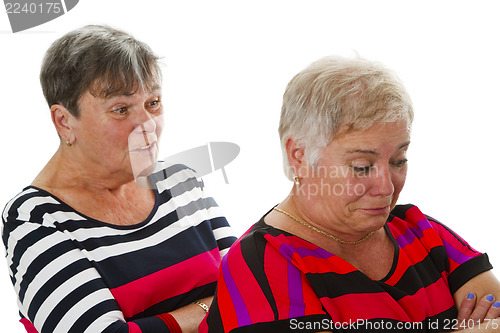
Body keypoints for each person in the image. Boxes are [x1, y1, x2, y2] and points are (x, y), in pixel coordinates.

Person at [202, 56, 500, 332]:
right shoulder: (263, 262)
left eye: (399, 160)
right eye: (361, 166)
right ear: (299, 157)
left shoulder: (421, 231)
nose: (387, 187)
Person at [2, 25, 236, 333]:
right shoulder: (36, 219)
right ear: (64, 121)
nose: (147, 124)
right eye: (121, 109)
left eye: (153, 103)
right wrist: (211, 306)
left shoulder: (181, 181)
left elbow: (257, 288)